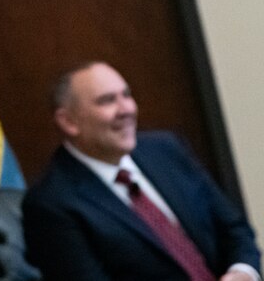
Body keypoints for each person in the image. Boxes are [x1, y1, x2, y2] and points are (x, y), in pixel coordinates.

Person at [22, 60, 260, 281]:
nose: (126, 109)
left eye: (126, 95)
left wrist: (242, 272)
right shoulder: (51, 203)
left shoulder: (166, 150)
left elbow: (234, 229)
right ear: (68, 122)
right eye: (107, 100)